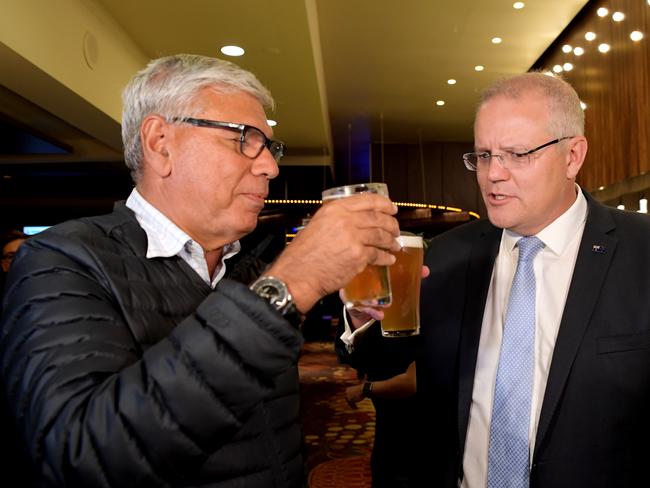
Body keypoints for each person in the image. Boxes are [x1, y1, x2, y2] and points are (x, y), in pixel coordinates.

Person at [0, 54, 401, 488]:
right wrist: (290, 284)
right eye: (245, 138)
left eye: (270, 146)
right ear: (160, 143)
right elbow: (79, 458)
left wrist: (362, 319)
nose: (270, 166)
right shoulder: (61, 261)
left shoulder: (248, 267)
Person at [414, 71, 650, 488]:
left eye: (517, 154)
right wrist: (367, 323)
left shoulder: (642, 250)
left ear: (573, 156)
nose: (493, 175)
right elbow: (386, 362)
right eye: (483, 155)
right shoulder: (449, 254)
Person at [336, 297, 420, 487]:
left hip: (423, 428)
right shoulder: (381, 283)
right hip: (387, 423)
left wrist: (365, 389)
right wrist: (358, 318)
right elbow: (359, 357)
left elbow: (412, 381)